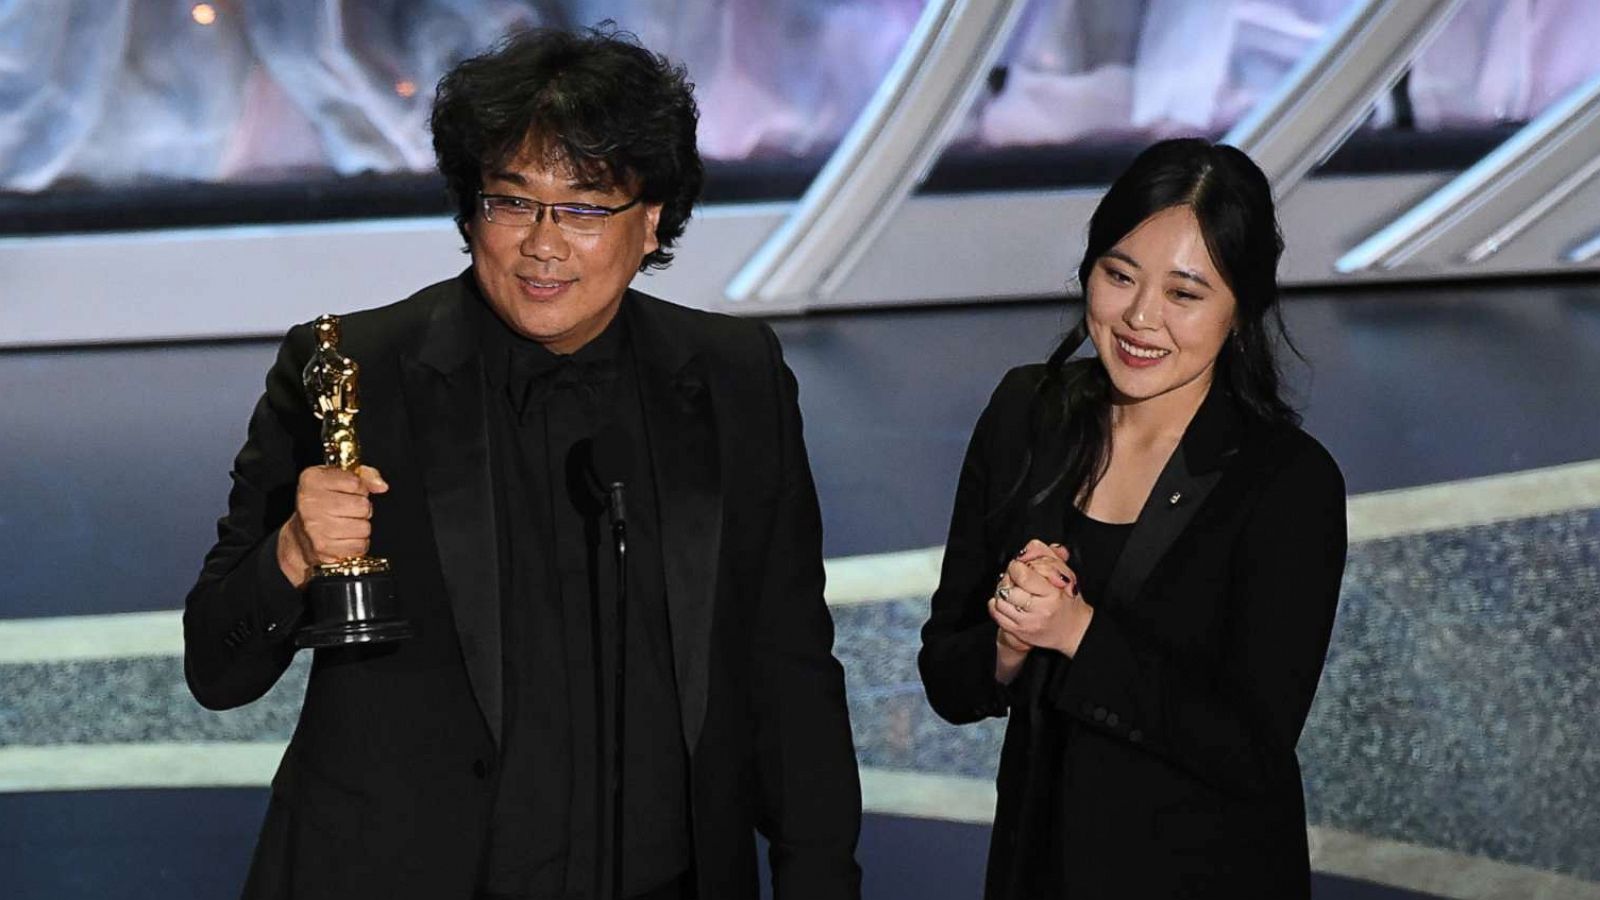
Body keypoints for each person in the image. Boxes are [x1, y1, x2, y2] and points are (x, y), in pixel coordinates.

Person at [184, 26, 861, 900]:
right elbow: (217, 666)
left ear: (651, 218)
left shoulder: (736, 377)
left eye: (583, 208)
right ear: (471, 212)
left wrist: (820, 881)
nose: (544, 244)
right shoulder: (353, 373)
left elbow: (791, 665)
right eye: (512, 203)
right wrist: (290, 556)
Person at [918, 138, 1347, 898]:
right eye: (1119, 276)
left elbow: (1250, 746)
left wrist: (1078, 633)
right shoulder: (1027, 412)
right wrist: (1010, 645)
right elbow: (950, 680)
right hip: (1038, 868)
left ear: (1240, 310)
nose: (1141, 318)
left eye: (1185, 294)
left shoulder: (1286, 481)